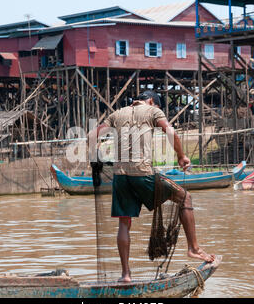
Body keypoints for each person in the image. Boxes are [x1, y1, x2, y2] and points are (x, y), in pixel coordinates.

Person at [89, 90, 215, 283]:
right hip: (142, 173)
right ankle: (194, 249)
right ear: (151, 101)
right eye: (156, 105)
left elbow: (91, 136)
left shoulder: (117, 114)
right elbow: (171, 132)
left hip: (121, 176)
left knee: (124, 222)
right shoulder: (153, 111)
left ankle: (126, 275)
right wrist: (181, 156)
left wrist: (96, 157)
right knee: (185, 197)